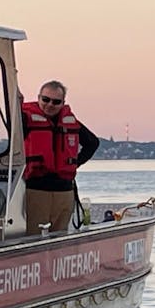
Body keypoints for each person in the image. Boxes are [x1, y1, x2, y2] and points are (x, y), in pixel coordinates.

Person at [21, 80, 101, 233]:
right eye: (45, 99)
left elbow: (92, 142)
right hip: (36, 190)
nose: (50, 104)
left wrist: (74, 163)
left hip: (64, 191)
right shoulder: (25, 119)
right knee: (35, 236)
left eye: (56, 102)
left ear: (63, 103)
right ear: (38, 98)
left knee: (60, 236)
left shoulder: (70, 121)